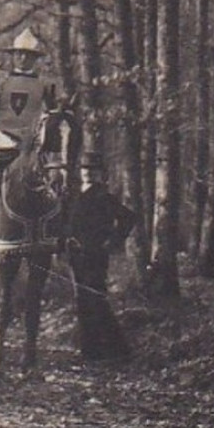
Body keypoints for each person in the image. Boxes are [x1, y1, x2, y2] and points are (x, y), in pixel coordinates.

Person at [0, 27, 60, 256]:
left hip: (32, 145)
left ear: (35, 59)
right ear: (13, 55)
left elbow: (53, 114)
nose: (23, 58)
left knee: (60, 178)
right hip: (0, 141)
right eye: (19, 53)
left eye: (29, 55)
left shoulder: (46, 85)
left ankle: (58, 234)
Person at [67, 147, 136, 364]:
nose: (88, 172)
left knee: (95, 299)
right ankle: (91, 351)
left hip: (96, 254)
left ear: (99, 173)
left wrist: (113, 242)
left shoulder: (104, 196)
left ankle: (116, 350)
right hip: (76, 255)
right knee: (83, 300)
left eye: (92, 169)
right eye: (85, 168)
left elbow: (128, 218)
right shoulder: (73, 195)